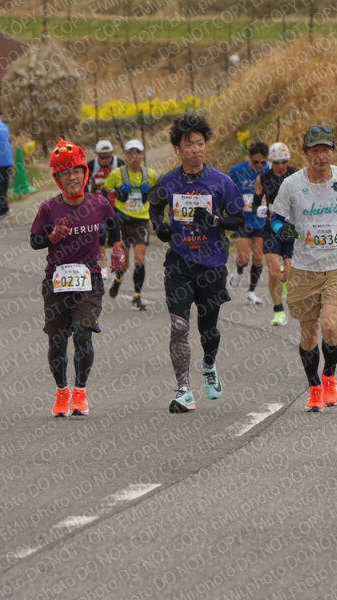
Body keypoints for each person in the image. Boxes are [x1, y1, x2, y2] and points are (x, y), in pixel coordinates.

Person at [149, 114, 245, 413]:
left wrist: (214, 220)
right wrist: (160, 227)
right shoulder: (168, 181)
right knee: (179, 326)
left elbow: (238, 218)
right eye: (188, 144)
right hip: (179, 263)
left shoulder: (221, 182)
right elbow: (154, 207)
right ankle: (183, 390)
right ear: (177, 149)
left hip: (212, 264)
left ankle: (209, 364)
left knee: (208, 328)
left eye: (200, 143)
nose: (195, 149)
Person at [270, 125, 337, 412]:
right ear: (305, 153)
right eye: (315, 151)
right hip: (303, 268)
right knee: (308, 334)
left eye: (326, 150)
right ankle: (314, 387)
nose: (321, 156)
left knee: (330, 325)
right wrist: (282, 230)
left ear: (333, 151)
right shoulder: (292, 185)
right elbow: (275, 218)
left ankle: (329, 378)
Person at [30, 138, 125, 417]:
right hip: (56, 281)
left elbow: (114, 224)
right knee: (57, 341)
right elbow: (34, 241)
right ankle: (62, 392)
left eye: (76, 172)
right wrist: (51, 237)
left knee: (83, 333)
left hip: (89, 279)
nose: (72, 178)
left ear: (84, 173)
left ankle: (80, 392)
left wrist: (117, 247)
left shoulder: (99, 203)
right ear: (57, 178)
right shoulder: (49, 208)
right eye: (65, 173)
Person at [103, 139, 157, 310]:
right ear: (125, 155)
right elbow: (104, 192)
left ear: (143, 155)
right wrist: (111, 210)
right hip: (122, 221)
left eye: (138, 152)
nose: (134, 156)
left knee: (139, 259)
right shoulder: (116, 174)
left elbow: (158, 197)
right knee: (123, 263)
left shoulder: (150, 175)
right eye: (130, 153)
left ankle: (137, 297)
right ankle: (118, 278)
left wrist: (155, 217)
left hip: (141, 221)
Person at [253, 142, 297, 326]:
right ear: (270, 161)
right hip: (271, 228)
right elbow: (255, 204)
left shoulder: (296, 175)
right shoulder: (262, 178)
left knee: (288, 273)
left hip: (291, 228)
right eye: (277, 162)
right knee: (273, 272)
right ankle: (278, 311)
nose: (280, 166)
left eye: (284, 162)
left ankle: (285, 281)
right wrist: (261, 210)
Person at [227, 141, 269, 304]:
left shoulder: (268, 171)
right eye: (256, 162)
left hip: (260, 221)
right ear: (249, 157)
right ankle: (238, 272)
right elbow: (226, 189)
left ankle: (251, 292)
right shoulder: (237, 171)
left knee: (258, 258)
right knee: (244, 258)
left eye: (263, 162)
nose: (259, 166)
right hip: (242, 221)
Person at [86, 140, 124, 279]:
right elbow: (84, 185)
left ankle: (117, 263)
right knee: (100, 233)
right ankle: (102, 265)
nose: (105, 159)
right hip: (98, 206)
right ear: (96, 154)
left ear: (112, 153)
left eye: (108, 156)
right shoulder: (91, 166)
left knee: (116, 235)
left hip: (115, 204)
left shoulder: (119, 164)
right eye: (102, 157)